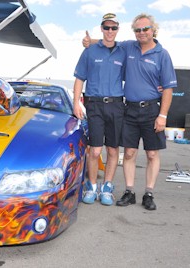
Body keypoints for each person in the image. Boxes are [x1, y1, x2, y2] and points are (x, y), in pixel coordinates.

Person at [83, 13, 177, 210]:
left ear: (153, 30)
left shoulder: (162, 54)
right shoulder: (128, 47)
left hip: (152, 110)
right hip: (130, 110)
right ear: (134, 32)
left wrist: (163, 116)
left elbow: (168, 88)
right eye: (137, 30)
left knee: (152, 154)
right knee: (129, 153)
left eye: (145, 29)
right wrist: (89, 41)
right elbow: (108, 41)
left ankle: (149, 193)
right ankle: (129, 191)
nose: (141, 33)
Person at [73, 13, 126, 206]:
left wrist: (157, 86)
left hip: (116, 104)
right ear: (102, 28)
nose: (110, 31)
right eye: (106, 27)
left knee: (113, 149)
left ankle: (107, 186)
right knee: (94, 151)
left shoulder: (124, 50)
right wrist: (75, 103)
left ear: (118, 29)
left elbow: (138, 71)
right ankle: (92, 185)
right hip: (94, 104)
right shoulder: (90, 51)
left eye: (113, 28)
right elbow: (79, 78)